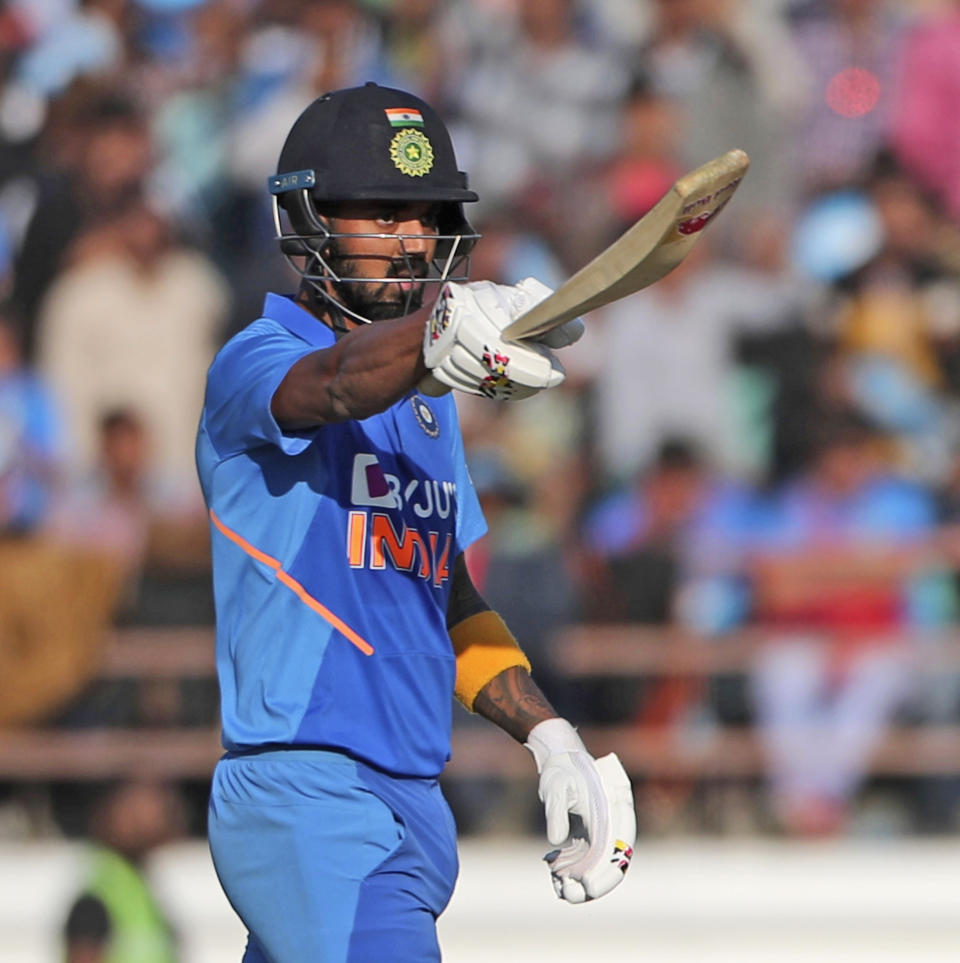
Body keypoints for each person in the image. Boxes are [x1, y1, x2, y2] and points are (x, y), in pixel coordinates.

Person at [196, 82, 636, 962]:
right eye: (382, 214)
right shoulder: (257, 359)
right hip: (310, 794)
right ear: (307, 221)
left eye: (427, 216)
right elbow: (333, 383)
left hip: (408, 799)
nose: (412, 239)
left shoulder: (428, 412)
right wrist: (441, 330)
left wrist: (550, 737)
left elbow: (447, 600)